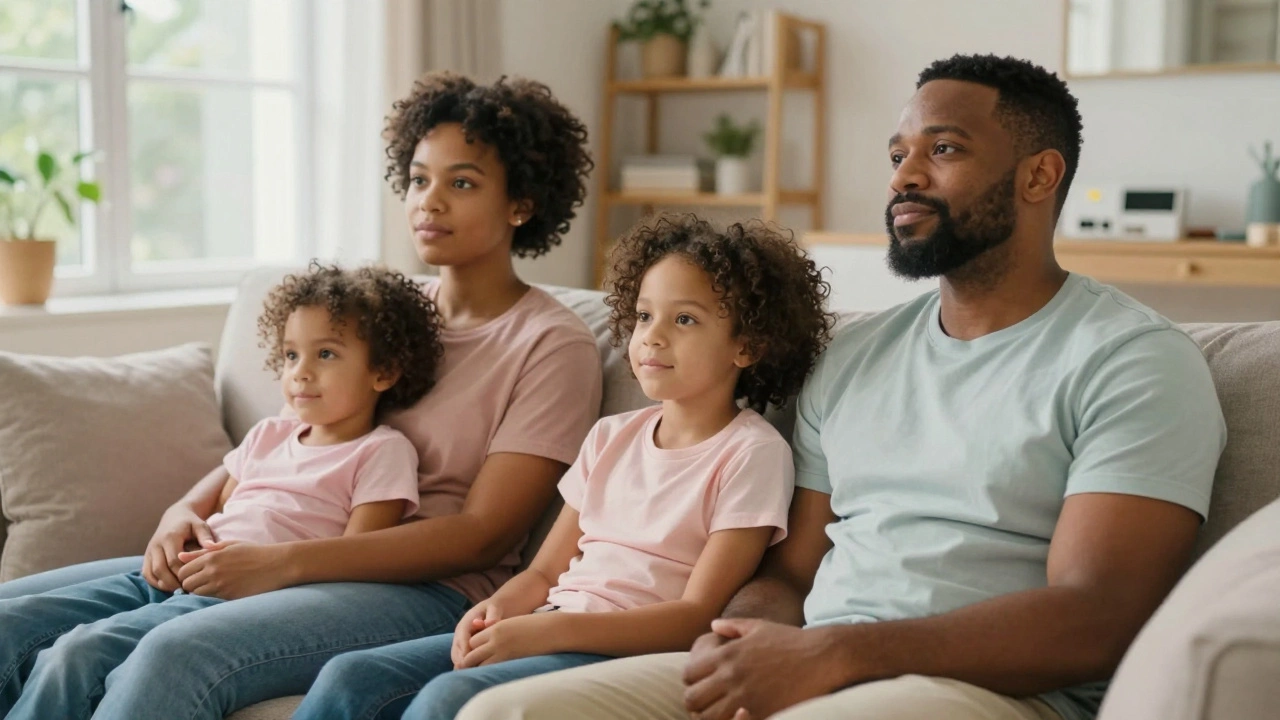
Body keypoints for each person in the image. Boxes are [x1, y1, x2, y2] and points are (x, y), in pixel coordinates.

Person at [453, 54, 1227, 720]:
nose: (905, 177)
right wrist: (746, 639)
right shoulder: (857, 352)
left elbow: (1097, 615)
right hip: (815, 658)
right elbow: (791, 573)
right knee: (503, 708)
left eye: (943, 149)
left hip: (984, 690)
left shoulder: (1132, 362)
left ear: (1039, 174)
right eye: (898, 154)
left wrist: (839, 655)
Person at [0, 71, 604, 720]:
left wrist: (280, 565)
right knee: (13, 620)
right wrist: (180, 510)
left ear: (522, 204)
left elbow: (484, 536)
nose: (429, 201)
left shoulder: (551, 344)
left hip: (425, 588)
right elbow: (288, 437)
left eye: (462, 183)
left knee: (172, 653)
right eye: (420, 178)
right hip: (272, 548)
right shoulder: (381, 311)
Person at [289, 213, 837, 720]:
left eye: (685, 319)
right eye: (644, 315)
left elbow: (698, 615)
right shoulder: (610, 436)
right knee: (350, 675)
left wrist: (548, 632)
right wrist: (493, 613)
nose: (653, 335)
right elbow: (544, 573)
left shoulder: (752, 454)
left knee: (450, 698)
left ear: (747, 345)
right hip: (550, 619)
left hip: (613, 650)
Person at [0, 263, 441, 718]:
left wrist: (261, 569)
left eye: (325, 355)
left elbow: (356, 558)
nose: (301, 373)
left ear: (383, 372)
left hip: (244, 599)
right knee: (47, 637)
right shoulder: (269, 433)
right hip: (182, 577)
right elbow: (228, 506)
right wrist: (181, 531)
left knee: (85, 650)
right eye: (291, 355)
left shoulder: (381, 452)